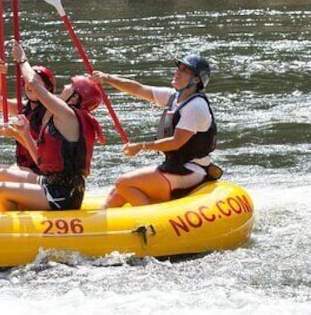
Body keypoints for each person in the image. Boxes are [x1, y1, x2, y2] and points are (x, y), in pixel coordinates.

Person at [92, 54, 218, 208]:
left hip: (191, 171)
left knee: (123, 183)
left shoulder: (195, 106)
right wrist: (107, 78)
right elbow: (138, 89)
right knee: (116, 193)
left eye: (185, 71)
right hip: (175, 166)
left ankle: (150, 225)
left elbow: (175, 143)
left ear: (196, 80)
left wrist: (140, 147)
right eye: (179, 68)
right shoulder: (173, 97)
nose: (178, 72)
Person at [0, 41, 103, 212]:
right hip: (52, 182)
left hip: (64, 193)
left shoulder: (67, 115)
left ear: (74, 98)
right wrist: (24, 133)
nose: (65, 86)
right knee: (0, 175)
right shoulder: (65, 116)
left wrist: (22, 59)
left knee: (1, 189)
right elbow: (43, 164)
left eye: (71, 86)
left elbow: (35, 84)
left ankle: (4, 235)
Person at [0, 58, 57, 211]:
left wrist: (14, 133)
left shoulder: (51, 112)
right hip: (25, 168)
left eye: (34, 83)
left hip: (41, 171)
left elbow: (41, 151)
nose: (29, 86)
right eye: (27, 82)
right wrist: (0, 77)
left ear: (46, 87)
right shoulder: (23, 107)